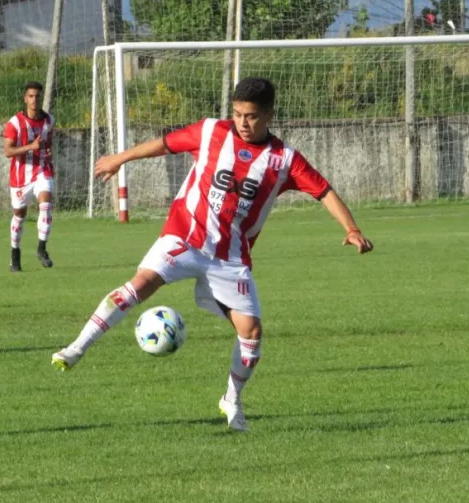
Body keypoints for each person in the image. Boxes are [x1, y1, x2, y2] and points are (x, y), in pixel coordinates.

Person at [51, 78, 374, 431]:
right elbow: (164, 145)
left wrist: (352, 229)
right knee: (140, 284)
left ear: (269, 115)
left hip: (230, 259)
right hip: (185, 237)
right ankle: (76, 348)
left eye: (251, 116)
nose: (243, 122)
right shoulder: (210, 131)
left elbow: (324, 191)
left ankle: (231, 400)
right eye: (237, 114)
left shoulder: (284, 160)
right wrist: (120, 158)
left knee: (251, 332)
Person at [4, 81, 55, 272]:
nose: (34, 100)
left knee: (46, 204)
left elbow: (47, 144)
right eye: (31, 96)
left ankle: (42, 248)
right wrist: (30, 147)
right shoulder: (14, 123)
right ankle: (15, 255)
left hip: (42, 170)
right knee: (19, 215)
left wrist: (48, 154)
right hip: (20, 177)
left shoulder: (49, 120)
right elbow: (8, 151)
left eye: (37, 96)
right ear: (25, 98)